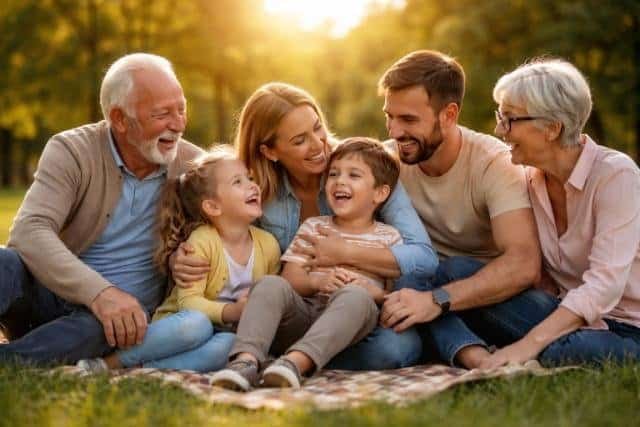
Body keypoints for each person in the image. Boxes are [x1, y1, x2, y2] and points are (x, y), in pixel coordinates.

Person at [173, 82, 438, 370]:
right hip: (294, 313)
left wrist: (344, 252)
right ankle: (277, 357)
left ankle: (298, 358)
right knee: (268, 295)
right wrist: (182, 257)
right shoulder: (254, 189)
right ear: (270, 151)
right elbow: (216, 230)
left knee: (395, 348)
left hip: (355, 317)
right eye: (300, 140)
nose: (318, 145)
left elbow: (423, 258)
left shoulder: (366, 170)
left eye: (317, 127)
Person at [0, 53, 203, 365]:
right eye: (162, 114)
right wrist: (100, 294)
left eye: (181, 108)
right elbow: (29, 231)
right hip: (50, 295)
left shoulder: (196, 168)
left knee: (104, 328)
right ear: (120, 119)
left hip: (112, 324)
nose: (177, 124)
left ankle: (10, 363)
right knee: (4, 262)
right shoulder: (72, 150)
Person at [377, 50, 556, 368]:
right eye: (389, 116)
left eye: (408, 119)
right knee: (406, 293)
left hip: (500, 303)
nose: (394, 131)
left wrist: (438, 300)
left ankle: (460, 348)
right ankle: (475, 358)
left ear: (448, 115)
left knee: (448, 271)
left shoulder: (494, 163)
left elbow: (524, 264)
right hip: (429, 305)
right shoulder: (387, 163)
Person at [480, 58, 640, 367]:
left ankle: (519, 348)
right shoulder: (528, 177)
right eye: (501, 115)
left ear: (552, 128)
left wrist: (527, 344)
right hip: (563, 315)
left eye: (510, 119)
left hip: (627, 328)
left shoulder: (617, 176)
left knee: (556, 352)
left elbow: (604, 285)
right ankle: (486, 350)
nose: (500, 129)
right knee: (459, 277)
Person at [211, 137, 404, 390]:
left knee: (356, 297)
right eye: (333, 174)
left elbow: (392, 295)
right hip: (305, 312)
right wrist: (317, 281)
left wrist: (372, 292)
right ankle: (244, 362)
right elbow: (290, 277)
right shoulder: (315, 226)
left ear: (380, 193)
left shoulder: (389, 237)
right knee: (270, 284)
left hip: (349, 323)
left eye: (353, 175)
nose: (339, 181)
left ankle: (294, 364)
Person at [76, 148, 281, 373]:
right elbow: (189, 303)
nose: (253, 185)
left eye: (250, 178)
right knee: (197, 325)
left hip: (222, 334)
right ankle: (112, 362)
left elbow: (271, 296)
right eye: (238, 182)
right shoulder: (202, 241)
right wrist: (232, 311)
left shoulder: (268, 245)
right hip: (179, 326)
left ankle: (143, 368)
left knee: (229, 346)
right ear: (213, 206)